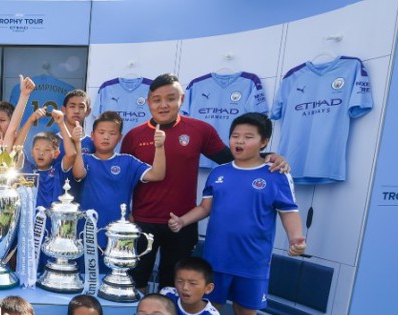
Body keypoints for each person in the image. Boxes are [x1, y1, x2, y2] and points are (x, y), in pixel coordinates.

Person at [168, 112, 306, 315]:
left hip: (253, 261)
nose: (239, 141)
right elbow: (206, 207)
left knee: (246, 311)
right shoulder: (219, 173)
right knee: (211, 309)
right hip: (217, 259)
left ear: (264, 141)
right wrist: (183, 220)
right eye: (235, 136)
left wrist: (297, 239)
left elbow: (288, 210)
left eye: (248, 137)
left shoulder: (275, 174)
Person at [121, 73, 287, 292]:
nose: (163, 105)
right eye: (157, 99)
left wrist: (269, 155)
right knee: (135, 282)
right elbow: (124, 179)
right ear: (149, 101)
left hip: (182, 222)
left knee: (174, 286)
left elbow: (231, 158)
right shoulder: (134, 136)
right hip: (141, 221)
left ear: (181, 100)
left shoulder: (200, 130)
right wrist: (127, 215)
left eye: (170, 98)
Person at [73, 111, 166, 250]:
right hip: (87, 230)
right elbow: (78, 174)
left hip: (119, 232)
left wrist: (159, 147)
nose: (106, 137)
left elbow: (157, 174)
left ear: (120, 138)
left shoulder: (127, 161)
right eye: (101, 132)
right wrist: (77, 143)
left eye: (112, 133)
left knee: (117, 269)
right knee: (87, 270)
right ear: (92, 135)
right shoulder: (85, 159)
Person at [14, 108, 75, 210]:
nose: (41, 153)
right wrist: (30, 120)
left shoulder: (58, 170)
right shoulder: (27, 170)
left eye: (47, 150)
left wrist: (61, 123)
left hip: (53, 222)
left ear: (56, 154)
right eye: (37, 149)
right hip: (31, 223)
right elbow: (16, 150)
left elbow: (71, 154)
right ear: (32, 151)